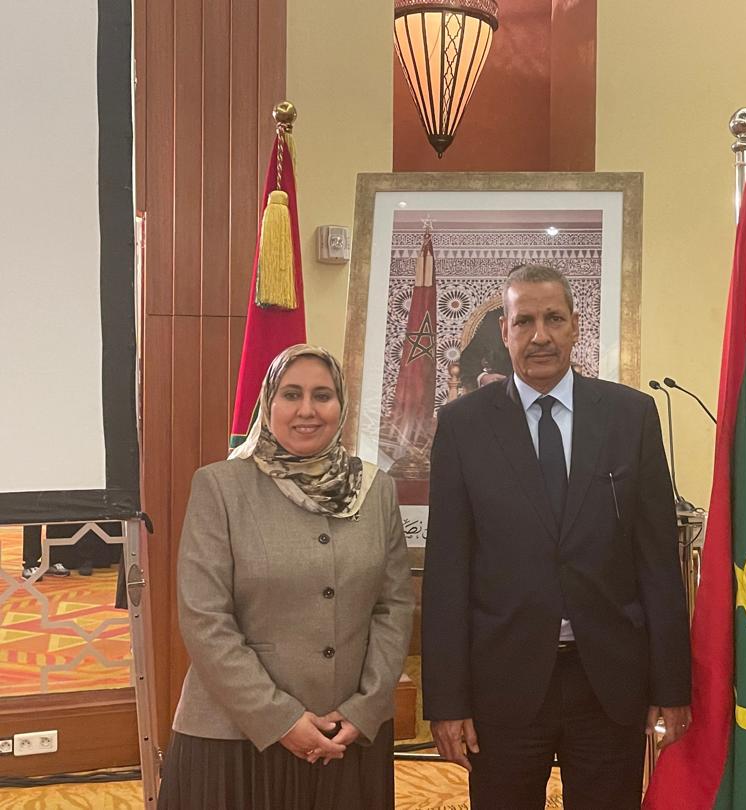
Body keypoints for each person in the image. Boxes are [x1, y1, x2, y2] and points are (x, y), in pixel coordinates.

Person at [422, 264, 692, 809]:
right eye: (524, 321)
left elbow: (657, 562)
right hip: (503, 685)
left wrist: (671, 685)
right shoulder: (462, 426)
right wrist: (446, 701)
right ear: (504, 331)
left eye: (553, 319)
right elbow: (448, 571)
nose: (539, 335)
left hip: (608, 684)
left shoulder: (630, 416)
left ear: (575, 326)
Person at [158, 344, 413, 810]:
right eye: (291, 394)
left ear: (341, 405)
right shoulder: (220, 487)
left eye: (323, 395)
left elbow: (392, 607)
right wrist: (279, 719)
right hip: (235, 735)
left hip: (345, 733)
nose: (307, 410)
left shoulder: (376, 490)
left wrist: (366, 707)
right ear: (268, 403)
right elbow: (205, 619)